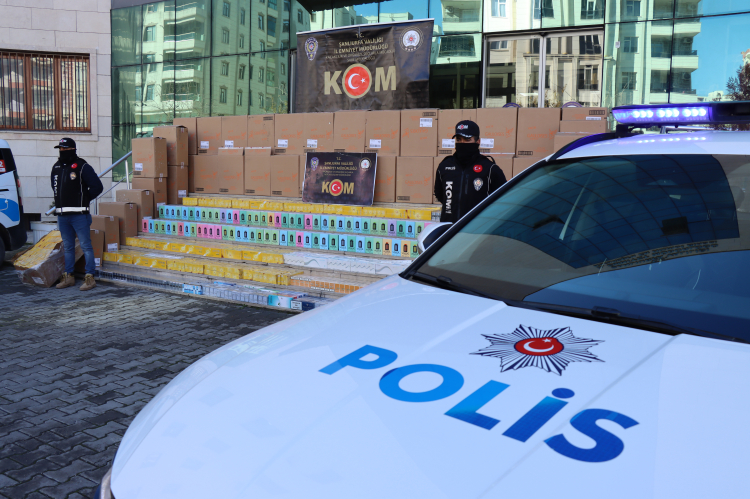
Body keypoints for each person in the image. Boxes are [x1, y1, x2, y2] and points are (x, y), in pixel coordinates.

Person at [50, 138, 103, 291]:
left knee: (86, 246)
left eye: (65, 149)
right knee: (68, 247)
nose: (62, 151)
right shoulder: (56, 167)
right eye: (60, 149)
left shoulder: (82, 166)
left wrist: (84, 199)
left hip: (79, 215)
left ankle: (90, 277)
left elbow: (97, 186)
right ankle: (69, 276)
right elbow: (55, 187)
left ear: (72, 149)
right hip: (62, 215)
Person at [434, 120, 507, 223]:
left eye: (467, 139)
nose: (462, 143)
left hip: (477, 229)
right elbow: (439, 194)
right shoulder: (445, 166)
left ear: (478, 141)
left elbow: (503, 199)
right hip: (449, 228)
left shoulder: (490, 168)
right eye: (459, 139)